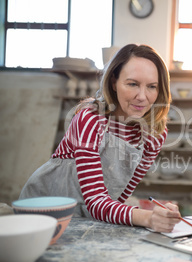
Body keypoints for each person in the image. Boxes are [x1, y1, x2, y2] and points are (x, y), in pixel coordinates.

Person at [20, 44, 181, 232]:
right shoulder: (90, 119)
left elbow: (118, 196)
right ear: (113, 82)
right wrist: (148, 217)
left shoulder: (154, 136)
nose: (142, 97)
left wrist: (160, 215)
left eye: (152, 87)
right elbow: (95, 202)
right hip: (42, 212)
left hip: (89, 219)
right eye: (132, 84)